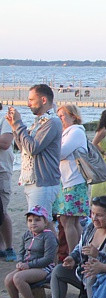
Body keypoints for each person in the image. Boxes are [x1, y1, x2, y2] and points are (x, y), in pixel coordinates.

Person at [34, 196, 106, 298]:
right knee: (58, 270)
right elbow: (79, 248)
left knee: (91, 275)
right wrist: (73, 258)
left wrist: (98, 255)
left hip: (104, 277)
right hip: (84, 272)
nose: (95, 218)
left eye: (99, 215)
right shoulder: (91, 228)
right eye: (92, 214)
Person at [6, 84, 62, 212]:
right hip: (32, 181)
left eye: (31, 100)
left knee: (41, 223)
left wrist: (19, 123)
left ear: (43, 100)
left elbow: (33, 148)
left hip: (43, 182)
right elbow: (24, 149)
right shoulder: (40, 121)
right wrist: (15, 127)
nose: (28, 104)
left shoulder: (52, 122)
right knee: (43, 223)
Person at [2, 206, 58, 298]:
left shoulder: (48, 236)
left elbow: (48, 259)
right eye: (30, 220)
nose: (33, 223)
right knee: (8, 279)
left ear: (45, 222)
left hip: (45, 268)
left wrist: (28, 265)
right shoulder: (27, 235)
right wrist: (19, 262)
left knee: (18, 278)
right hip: (28, 266)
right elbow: (21, 252)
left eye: (37, 220)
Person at [53, 104, 90, 253]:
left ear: (73, 116)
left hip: (74, 181)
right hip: (66, 181)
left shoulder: (76, 131)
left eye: (62, 116)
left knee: (69, 220)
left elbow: (60, 153)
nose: (60, 119)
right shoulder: (65, 133)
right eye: (59, 116)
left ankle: (73, 254)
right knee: (67, 220)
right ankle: (77, 252)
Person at [0, 103, 15, 261]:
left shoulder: (4, 120)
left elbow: (5, 143)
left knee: (2, 211)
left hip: (1, 171)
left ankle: (9, 247)